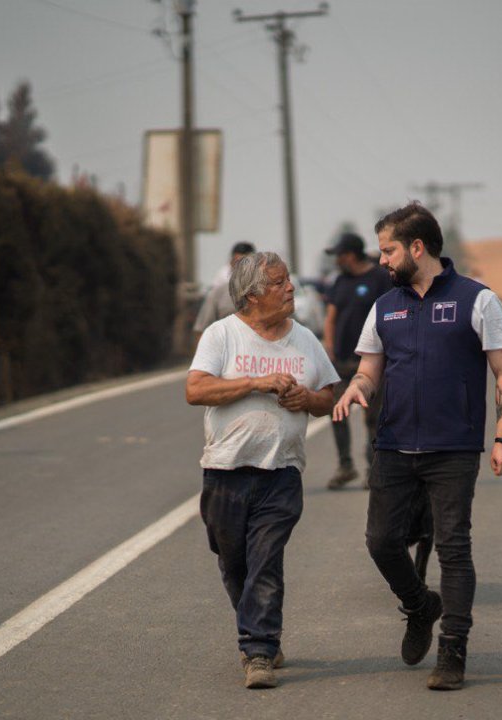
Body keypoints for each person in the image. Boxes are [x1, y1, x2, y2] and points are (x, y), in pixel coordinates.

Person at [333, 202, 502, 691]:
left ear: (418, 247)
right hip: (393, 444)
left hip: (453, 448)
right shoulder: (384, 306)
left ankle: (452, 650)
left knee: (454, 547)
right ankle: (420, 605)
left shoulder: (477, 300)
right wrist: (358, 388)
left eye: (388, 250)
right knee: (381, 541)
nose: (382, 261)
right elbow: (370, 370)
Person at [186, 251, 338, 690]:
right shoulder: (222, 335)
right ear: (252, 296)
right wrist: (257, 382)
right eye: (279, 283)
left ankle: (258, 650)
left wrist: (305, 400)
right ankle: (258, 626)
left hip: (281, 472)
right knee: (234, 564)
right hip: (225, 471)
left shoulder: (305, 339)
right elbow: (195, 390)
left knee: (265, 561)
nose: (290, 288)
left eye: (288, 280)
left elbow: (329, 396)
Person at [322, 232, 393, 490]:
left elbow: (389, 313)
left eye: (339, 255)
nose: (337, 260)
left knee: (373, 418)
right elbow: (331, 316)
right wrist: (328, 348)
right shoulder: (339, 281)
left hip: (372, 362)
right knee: (336, 412)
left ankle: (373, 469)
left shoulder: (380, 278)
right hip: (341, 362)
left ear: (350, 255)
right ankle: (345, 466)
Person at [193, 241, 255, 336]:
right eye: (237, 262)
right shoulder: (218, 292)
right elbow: (202, 330)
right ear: (231, 263)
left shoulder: (268, 291)